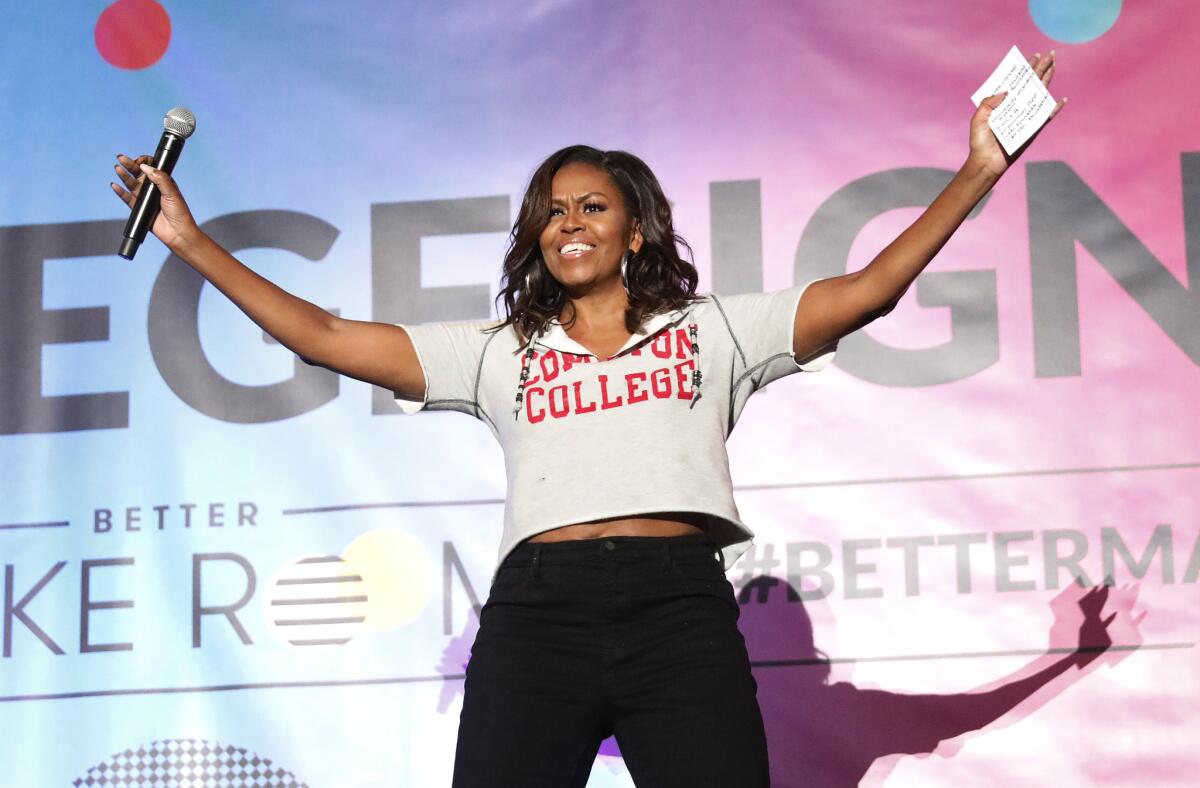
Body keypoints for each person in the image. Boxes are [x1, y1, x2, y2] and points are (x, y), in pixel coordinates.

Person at [110, 51, 1063, 788]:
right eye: (552, 209)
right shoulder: (499, 349)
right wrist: (190, 242)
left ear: (633, 228)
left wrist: (978, 167)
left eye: (592, 205)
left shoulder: (714, 332)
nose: (568, 221)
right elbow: (321, 334)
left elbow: (870, 290)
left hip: (680, 613)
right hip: (539, 616)